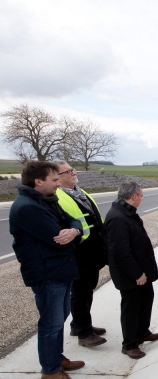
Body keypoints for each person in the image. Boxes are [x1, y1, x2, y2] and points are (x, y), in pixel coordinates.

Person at [9, 161, 85, 379]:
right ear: (38, 181)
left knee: (60, 317)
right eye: (53, 180)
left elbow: (73, 221)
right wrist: (71, 232)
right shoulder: (27, 207)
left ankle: (56, 358)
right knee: (50, 323)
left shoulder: (46, 200)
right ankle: (50, 371)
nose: (57, 184)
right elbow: (56, 237)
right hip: (47, 273)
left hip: (59, 269)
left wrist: (73, 230)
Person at [105, 181, 158, 360]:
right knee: (131, 308)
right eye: (141, 195)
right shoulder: (117, 217)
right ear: (135, 196)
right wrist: (136, 273)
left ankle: (142, 332)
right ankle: (129, 344)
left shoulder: (127, 212)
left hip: (142, 270)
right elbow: (121, 252)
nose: (142, 199)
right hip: (131, 275)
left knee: (146, 300)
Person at [55, 161, 108, 348]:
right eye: (68, 171)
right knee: (80, 292)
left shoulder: (78, 191)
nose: (73, 173)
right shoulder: (58, 197)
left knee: (87, 289)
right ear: (57, 177)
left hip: (92, 251)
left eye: (72, 169)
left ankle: (79, 324)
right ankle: (84, 334)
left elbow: (93, 218)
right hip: (79, 252)